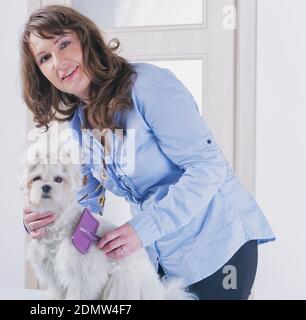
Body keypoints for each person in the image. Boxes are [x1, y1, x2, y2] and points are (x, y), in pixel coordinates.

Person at [19, 5, 275, 300]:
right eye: (45, 57)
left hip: (217, 245)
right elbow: (88, 199)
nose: (59, 62)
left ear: (85, 39)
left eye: (64, 43)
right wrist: (48, 216)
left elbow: (208, 167)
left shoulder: (148, 86)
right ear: (40, 73)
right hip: (159, 256)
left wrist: (142, 230)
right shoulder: (79, 119)